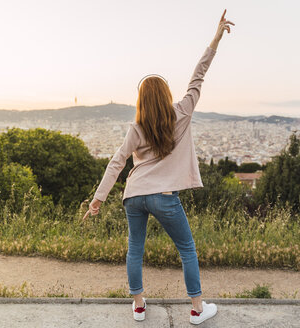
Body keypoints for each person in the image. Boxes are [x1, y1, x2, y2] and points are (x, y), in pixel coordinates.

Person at [83, 9, 234, 325]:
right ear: (166, 94)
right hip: (164, 196)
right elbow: (198, 74)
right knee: (187, 250)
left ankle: (139, 306)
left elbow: (117, 161)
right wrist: (216, 37)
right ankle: (196, 310)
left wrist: (98, 198)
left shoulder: (136, 127)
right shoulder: (183, 112)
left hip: (134, 195)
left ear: (141, 100)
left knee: (134, 250)